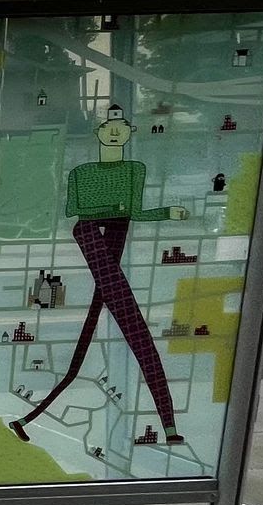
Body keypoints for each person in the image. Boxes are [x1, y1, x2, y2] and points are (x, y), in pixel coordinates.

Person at [12, 106, 190, 445]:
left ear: (129, 133)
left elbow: (135, 213)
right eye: (109, 125)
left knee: (117, 326)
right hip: (90, 234)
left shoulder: (134, 170)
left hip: (116, 233)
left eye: (121, 126)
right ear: (99, 132)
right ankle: (168, 426)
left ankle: (168, 425)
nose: (114, 130)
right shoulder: (82, 173)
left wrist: (167, 212)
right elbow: (76, 213)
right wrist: (113, 210)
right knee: (135, 329)